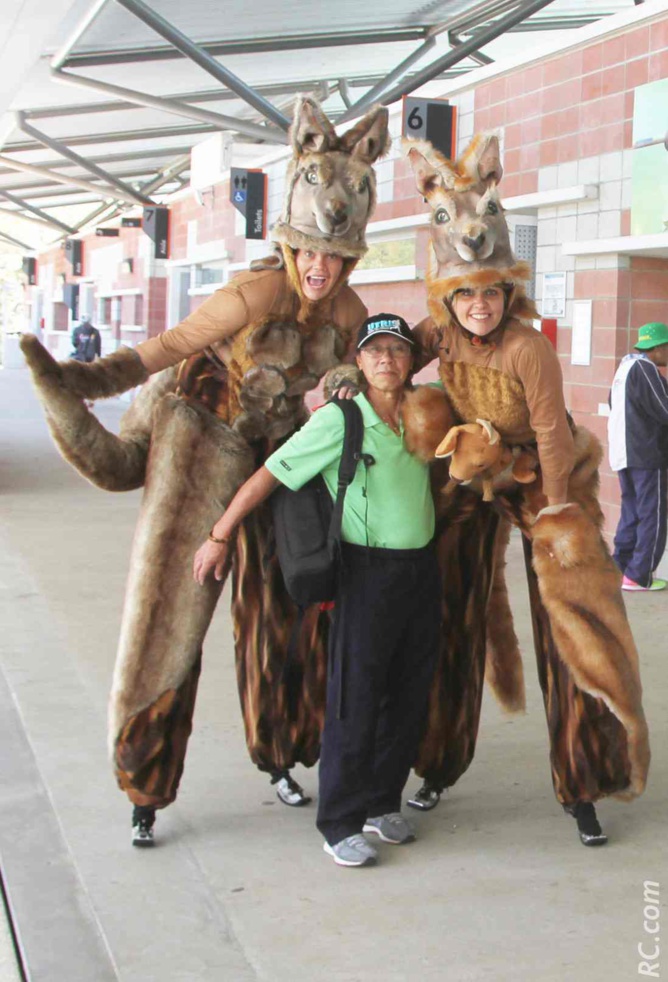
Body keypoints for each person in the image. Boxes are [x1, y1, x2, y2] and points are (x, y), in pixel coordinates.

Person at [19, 97, 390, 846]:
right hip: (202, 434)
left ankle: (282, 752)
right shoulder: (253, 293)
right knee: (171, 604)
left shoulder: (350, 310)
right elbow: (166, 347)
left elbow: (374, 367)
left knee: (288, 608)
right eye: (309, 253)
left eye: (334, 257)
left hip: (277, 456)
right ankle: (145, 782)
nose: (319, 268)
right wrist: (83, 380)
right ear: (290, 244)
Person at [401, 133, 650, 847]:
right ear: (449, 297)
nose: (479, 304)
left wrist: (559, 508)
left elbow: (551, 430)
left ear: (506, 292)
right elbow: (388, 358)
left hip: (542, 472)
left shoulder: (526, 345)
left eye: (490, 292)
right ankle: (436, 762)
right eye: (466, 293)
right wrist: (349, 380)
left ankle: (585, 782)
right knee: (446, 612)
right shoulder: (438, 334)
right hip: (476, 470)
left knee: (572, 618)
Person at [194, 313, 441, 867]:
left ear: (410, 360)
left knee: (408, 692)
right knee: (356, 696)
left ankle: (381, 802)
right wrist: (219, 534)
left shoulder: (425, 408)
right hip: (367, 573)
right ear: (359, 360)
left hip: (421, 571)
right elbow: (271, 474)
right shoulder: (340, 418)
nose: (386, 359)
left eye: (397, 350)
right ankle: (339, 821)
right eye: (374, 351)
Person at [608, 322, 668, 592]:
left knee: (631, 512)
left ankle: (621, 568)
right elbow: (663, 409)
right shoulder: (645, 368)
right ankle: (640, 575)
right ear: (658, 347)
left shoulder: (624, 368)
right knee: (652, 514)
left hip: (624, 453)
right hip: (646, 455)